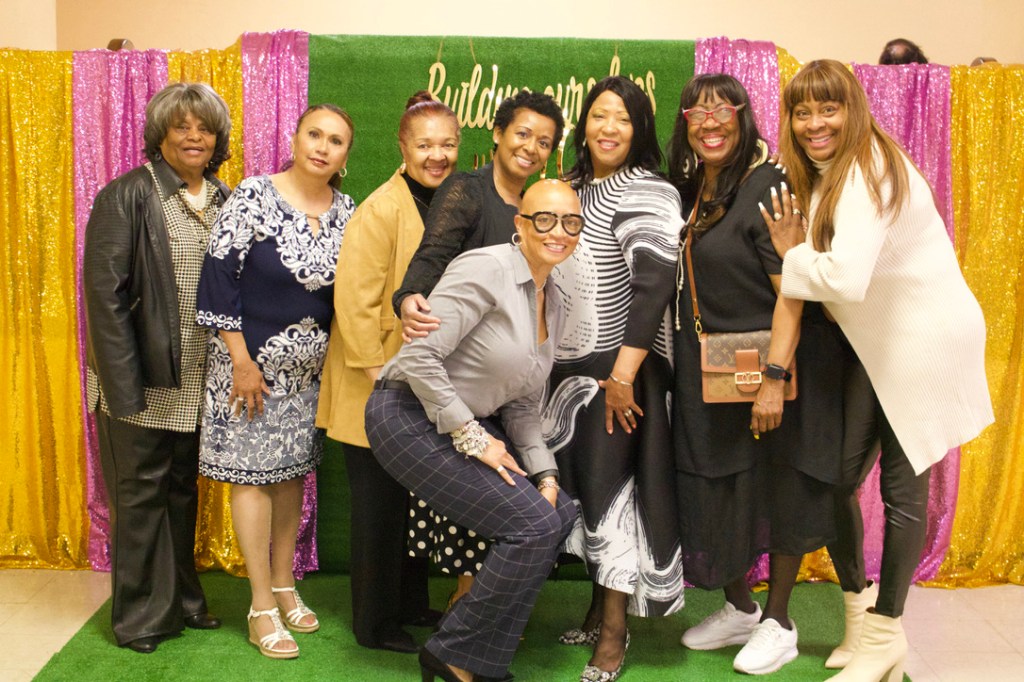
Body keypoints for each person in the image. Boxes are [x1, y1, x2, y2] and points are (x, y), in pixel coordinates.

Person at [765, 59, 993, 682]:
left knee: (901, 489)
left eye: (829, 109)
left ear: (854, 109)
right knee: (837, 479)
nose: (815, 123)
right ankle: (861, 617)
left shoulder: (869, 168)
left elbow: (844, 279)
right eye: (802, 112)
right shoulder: (827, 172)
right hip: (880, 343)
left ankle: (887, 634)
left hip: (923, 340)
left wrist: (792, 254)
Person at [666, 73, 849, 675]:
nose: (710, 122)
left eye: (724, 110)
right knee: (719, 485)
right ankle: (741, 608)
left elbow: (792, 290)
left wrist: (774, 376)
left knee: (779, 489)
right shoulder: (698, 188)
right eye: (697, 112)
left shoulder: (768, 184)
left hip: (772, 365)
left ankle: (780, 621)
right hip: (712, 367)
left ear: (745, 116)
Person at [366, 180, 581, 682]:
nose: (559, 231)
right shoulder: (485, 268)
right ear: (520, 224)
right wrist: (474, 438)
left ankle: (478, 658)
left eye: (571, 222)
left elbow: (523, 404)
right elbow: (420, 358)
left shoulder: (556, 298)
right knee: (534, 526)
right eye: (545, 219)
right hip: (406, 413)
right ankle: (454, 652)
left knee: (558, 514)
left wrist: (546, 475)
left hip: (464, 422)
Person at [195, 103, 356, 659]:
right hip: (247, 370)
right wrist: (241, 360)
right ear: (295, 138)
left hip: (309, 375)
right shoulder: (253, 196)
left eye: (335, 140)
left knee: (291, 478)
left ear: (345, 155)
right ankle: (260, 603)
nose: (322, 147)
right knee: (252, 479)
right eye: (315, 134)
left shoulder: (347, 210)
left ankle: (285, 585)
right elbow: (218, 279)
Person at [391, 88, 564, 605]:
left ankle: (483, 615)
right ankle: (464, 616)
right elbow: (432, 254)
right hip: (458, 379)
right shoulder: (467, 189)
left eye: (544, 142)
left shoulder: (539, 209)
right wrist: (408, 298)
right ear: (497, 133)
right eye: (522, 134)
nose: (531, 147)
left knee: (507, 510)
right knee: (472, 525)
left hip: (504, 385)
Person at [544, 75, 685, 682]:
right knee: (584, 497)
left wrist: (624, 373)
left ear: (640, 130)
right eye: (599, 115)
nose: (608, 128)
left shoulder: (649, 190)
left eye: (623, 118)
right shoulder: (571, 189)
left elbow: (654, 285)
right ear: (584, 124)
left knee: (614, 500)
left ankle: (614, 634)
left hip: (620, 376)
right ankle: (596, 609)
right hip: (566, 378)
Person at [82, 82, 231, 654]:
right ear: (160, 134)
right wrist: (123, 389)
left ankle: (183, 600)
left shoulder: (223, 198)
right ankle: (141, 618)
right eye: (181, 126)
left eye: (204, 128)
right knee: (140, 498)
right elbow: (105, 299)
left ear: (217, 139)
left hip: (195, 379)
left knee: (180, 493)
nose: (194, 136)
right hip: (140, 380)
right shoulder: (127, 195)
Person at [315, 91, 461, 653]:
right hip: (375, 384)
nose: (436, 155)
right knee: (378, 510)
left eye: (447, 144)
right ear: (402, 147)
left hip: (418, 381)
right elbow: (353, 303)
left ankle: (410, 602)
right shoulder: (380, 209)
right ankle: (374, 624)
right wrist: (382, 377)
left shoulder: (448, 201)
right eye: (424, 145)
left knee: (413, 502)